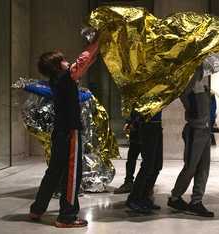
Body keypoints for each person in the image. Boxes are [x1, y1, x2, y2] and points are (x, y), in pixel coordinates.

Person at [28, 41, 99, 228]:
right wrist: (100, 40)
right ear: (58, 65)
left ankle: (37, 209)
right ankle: (67, 216)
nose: (67, 62)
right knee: (71, 175)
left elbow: (87, 62)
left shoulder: (58, 80)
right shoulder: (64, 77)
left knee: (54, 172)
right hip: (70, 132)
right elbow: (83, 61)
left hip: (60, 132)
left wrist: (96, 51)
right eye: (64, 60)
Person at [167, 68, 214, 217]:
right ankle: (175, 197)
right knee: (191, 167)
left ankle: (196, 201)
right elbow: (184, 93)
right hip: (195, 130)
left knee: (204, 167)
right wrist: (196, 71)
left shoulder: (204, 77)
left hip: (205, 130)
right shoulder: (188, 78)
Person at [126, 111, 163, 214]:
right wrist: (132, 121)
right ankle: (134, 198)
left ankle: (144, 197)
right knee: (148, 165)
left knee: (157, 165)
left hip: (156, 124)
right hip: (148, 125)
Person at [114, 110, 142, 194]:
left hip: (144, 131)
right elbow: (132, 111)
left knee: (146, 161)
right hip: (136, 133)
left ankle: (144, 184)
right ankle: (128, 182)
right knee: (131, 159)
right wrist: (129, 122)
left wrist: (132, 123)